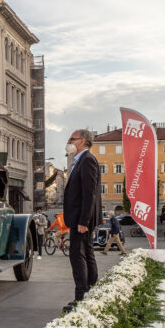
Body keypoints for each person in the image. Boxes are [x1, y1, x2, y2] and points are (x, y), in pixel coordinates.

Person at [63, 129, 102, 311]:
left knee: (77, 256)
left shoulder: (87, 160)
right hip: (80, 218)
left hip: (82, 219)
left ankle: (81, 297)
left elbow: (89, 193)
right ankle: (90, 293)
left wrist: (84, 221)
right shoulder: (81, 161)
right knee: (86, 253)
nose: (69, 141)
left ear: (82, 141)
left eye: (72, 139)